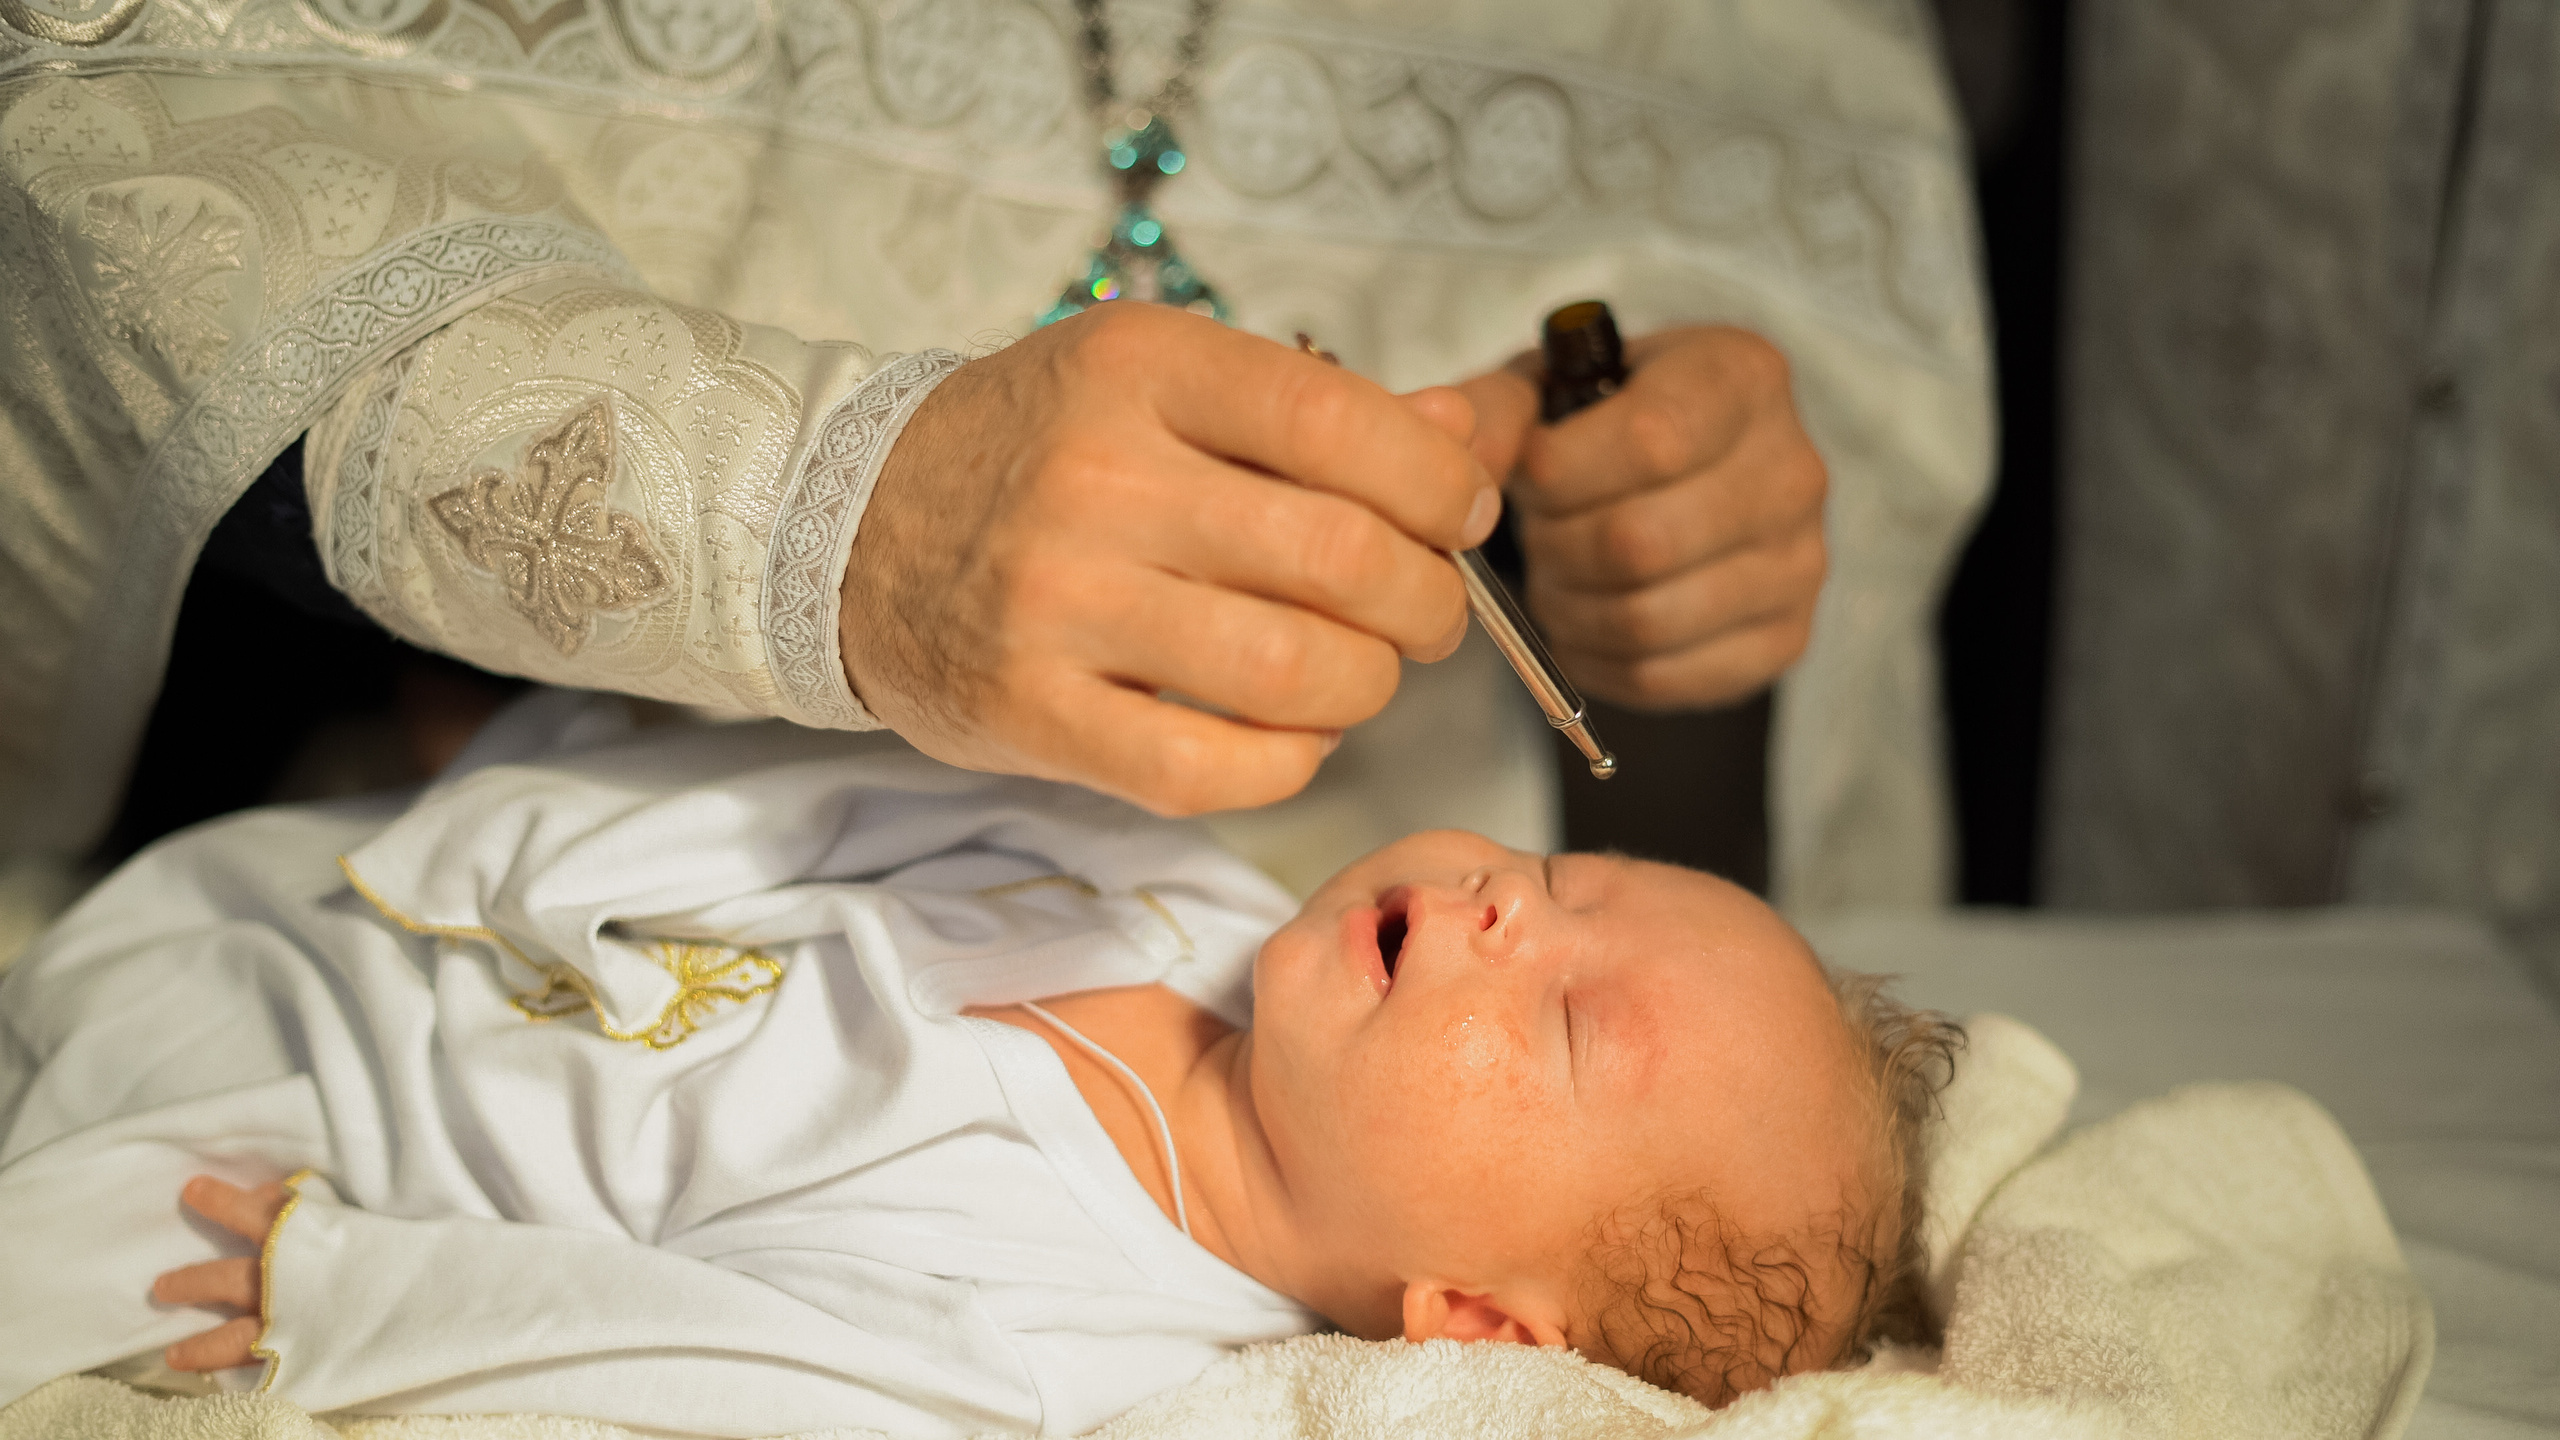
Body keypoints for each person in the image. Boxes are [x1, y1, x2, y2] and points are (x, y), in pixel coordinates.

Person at [0, 0, 1991, 928]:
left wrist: (1659, 518)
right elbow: (110, 176)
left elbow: (1763, 275)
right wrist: (805, 513)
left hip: (1324, 920)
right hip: (483, 881)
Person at [0, 693, 1959, 1433]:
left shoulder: (1062, 1333)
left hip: (292, 1139)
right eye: (1563, 872)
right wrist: (540, 811)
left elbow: (694, 1356)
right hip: (339, 928)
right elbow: (831, 793)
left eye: (1559, 1019)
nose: (1503, 909)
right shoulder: (1185, 899)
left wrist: (346, 1288)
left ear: (1475, 1324)